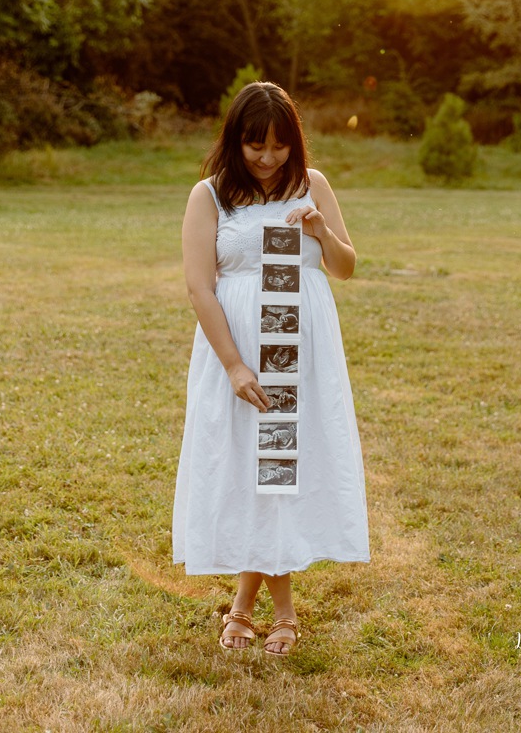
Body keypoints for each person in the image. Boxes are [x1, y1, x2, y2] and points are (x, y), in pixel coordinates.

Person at [172, 82, 370, 655]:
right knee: (248, 468)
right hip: (235, 354)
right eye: (256, 145)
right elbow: (198, 286)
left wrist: (320, 231)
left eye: (280, 146)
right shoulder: (209, 196)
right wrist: (233, 364)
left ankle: (264, 611)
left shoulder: (313, 186)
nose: (267, 158)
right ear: (235, 140)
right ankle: (254, 609)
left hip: (298, 352)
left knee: (279, 468)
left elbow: (346, 267)